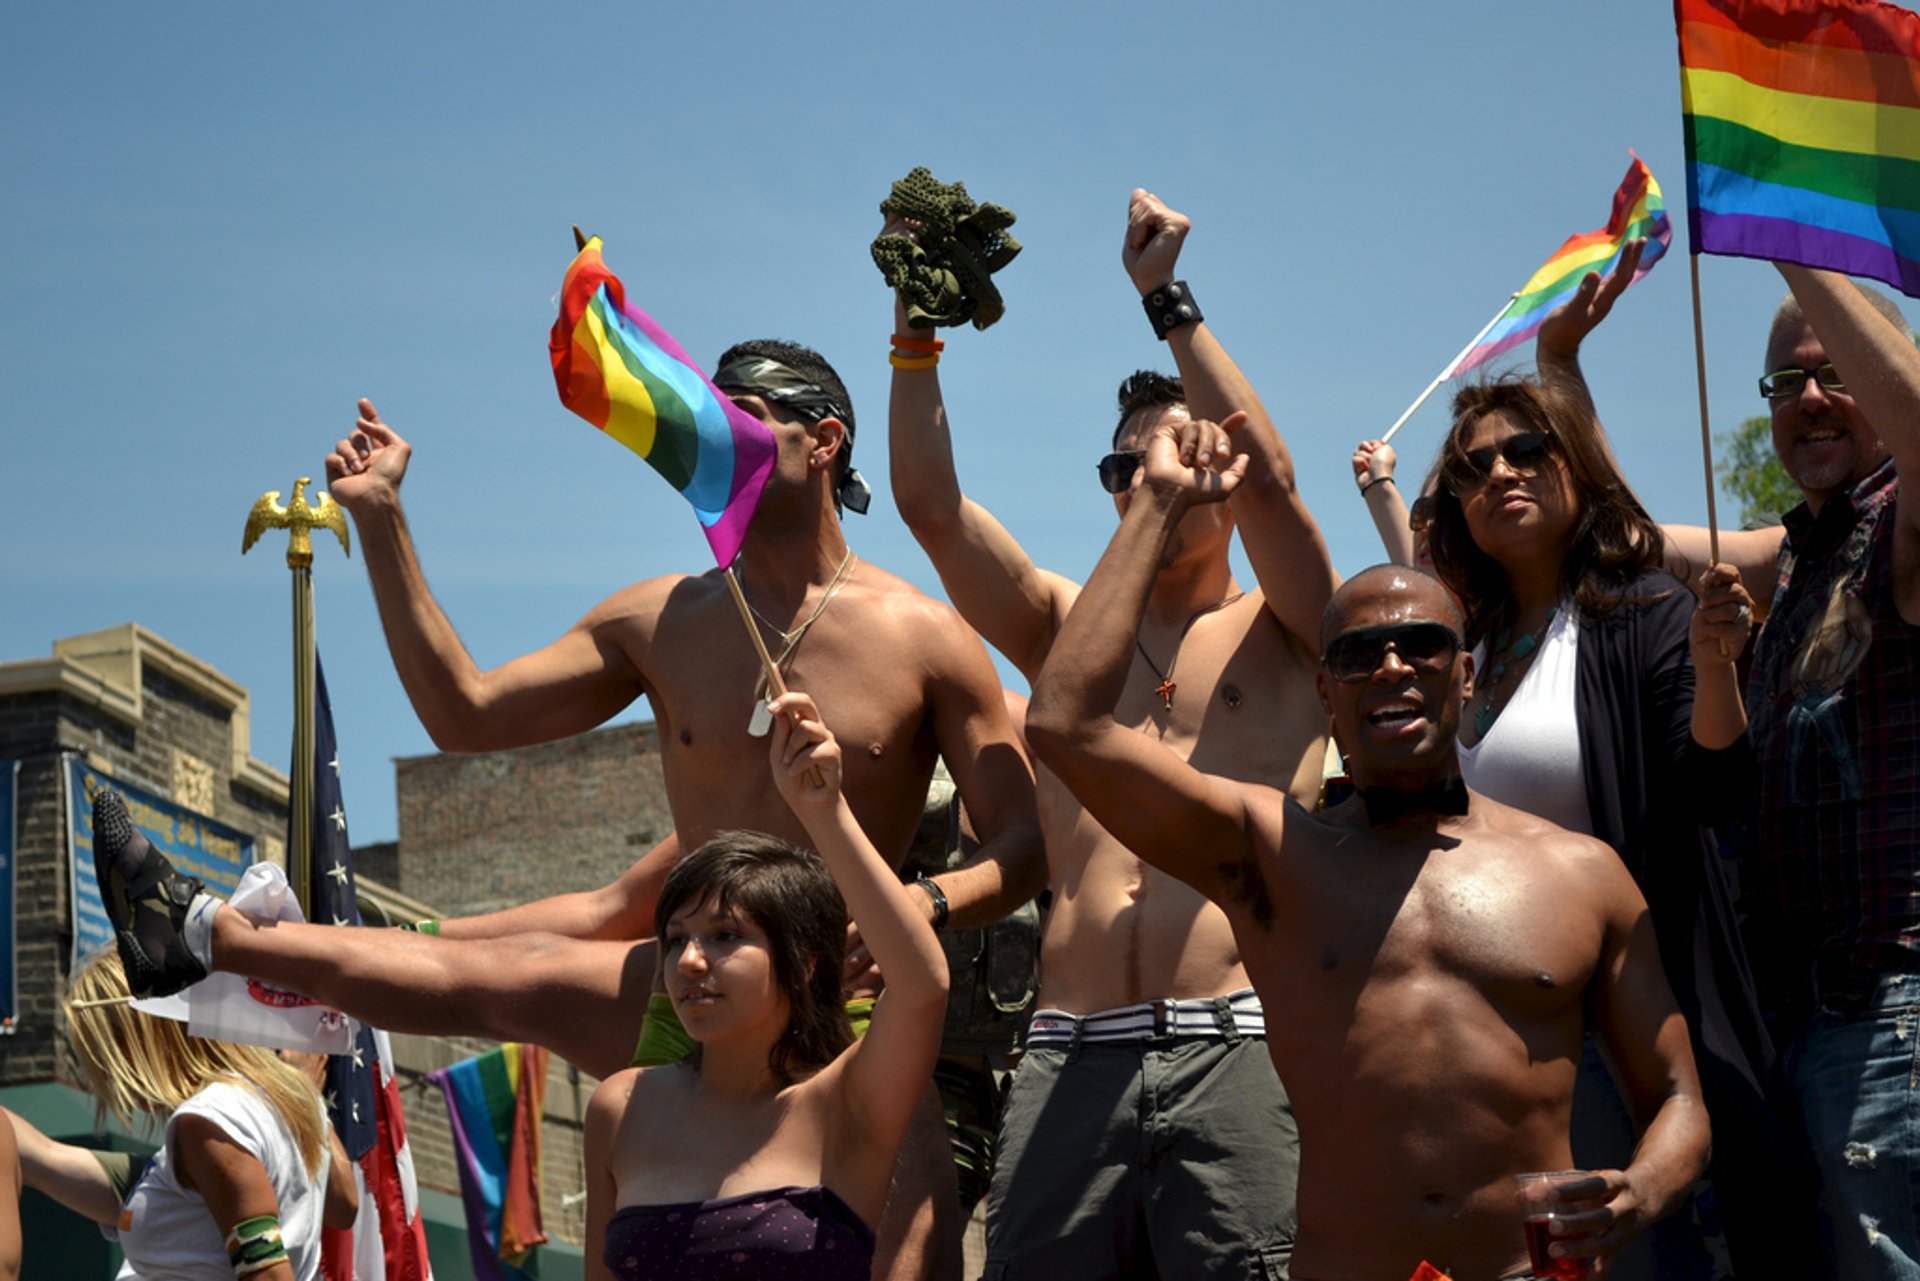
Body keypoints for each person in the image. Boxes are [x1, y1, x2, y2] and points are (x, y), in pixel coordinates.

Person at [101, 341, 1046, 1281]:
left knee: (912, 1257)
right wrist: (384, 522)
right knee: (494, 978)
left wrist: (926, 905)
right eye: (701, 419)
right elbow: (462, 710)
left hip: (846, 1000)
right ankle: (200, 932)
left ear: (827, 440)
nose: (709, 440)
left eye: (740, 421)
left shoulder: (925, 636)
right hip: (693, 972)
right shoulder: (658, 619)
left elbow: (1023, 841)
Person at [1026, 420, 1712, 1278]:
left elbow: (1680, 1097)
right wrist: (1158, 499)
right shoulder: (1271, 857)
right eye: (1356, 653)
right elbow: (1064, 723)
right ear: (1325, 691)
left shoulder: (1580, 873)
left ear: (1464, 674)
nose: (1391, 666)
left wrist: (1639, 1193)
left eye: (1422, 644)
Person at [885, 188, 1336, 1277]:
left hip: (1236, 1036)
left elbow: (1276, 484)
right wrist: (913, 330)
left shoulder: (1294, 630)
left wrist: (1167, 299)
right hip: (1066, 1049)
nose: (1148, 480)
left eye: (1170, 456)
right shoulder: (1063, 631)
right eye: (1121, 468)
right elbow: (933, 512)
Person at [1552, 262, 1920, 1279]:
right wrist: (1560, 365)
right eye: (1782, 384)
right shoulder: (1795, 556)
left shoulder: (1908, 524)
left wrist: (1790, 242)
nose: (1806, 400)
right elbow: (1622, 539)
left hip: (1897, 1011)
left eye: (1833, 370)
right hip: (1801, 1024)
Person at [585, 688, 947, 1281]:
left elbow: (923, 986)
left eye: (726, 936)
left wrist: (824, 811)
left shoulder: (848, 1103)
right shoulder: (620, 1108)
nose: (691, 962)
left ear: (804, 962)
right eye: (677, 939)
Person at [6, 946, 355, 1280]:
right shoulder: (282, 1101)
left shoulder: (208, 1120)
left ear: (143, 1038)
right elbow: (344, 1206)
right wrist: (306, 1095)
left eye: (105, 1055)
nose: (109, 1079)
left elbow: (268, 1275)